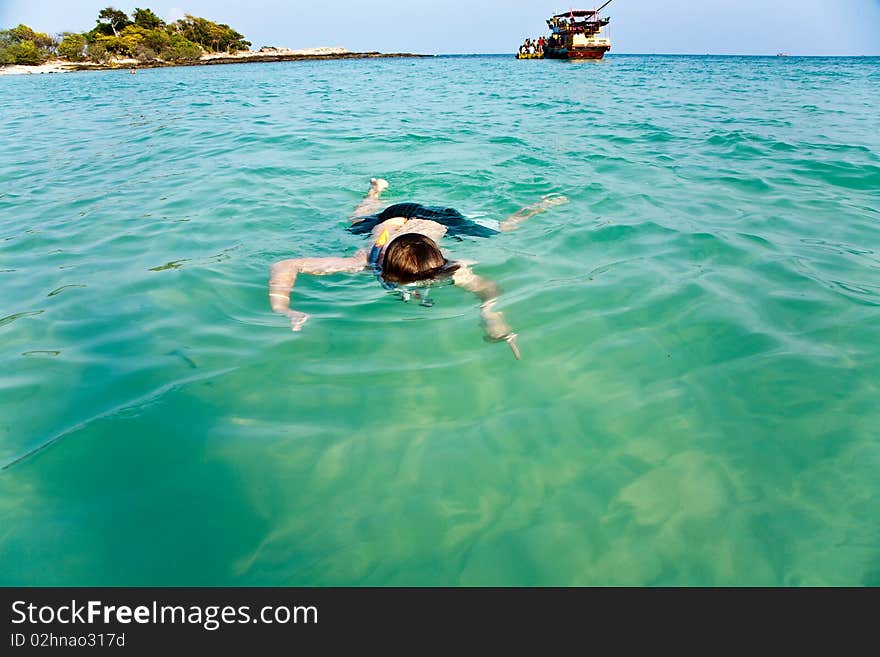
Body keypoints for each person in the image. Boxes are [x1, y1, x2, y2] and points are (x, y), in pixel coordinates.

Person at [268, 178, 569, 359]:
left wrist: (490, 312)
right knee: (358, 219)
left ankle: (537, 206)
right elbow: (286, 264)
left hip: (439, 220)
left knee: (502, 229)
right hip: (392, 218)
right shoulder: (365, 262)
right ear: (383, 269)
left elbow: (487, 288)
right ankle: (375, 191)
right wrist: (284, 308)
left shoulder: (445, 268)